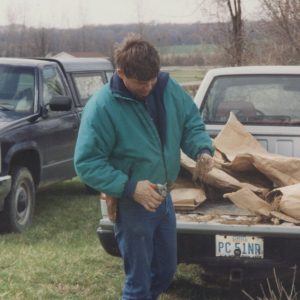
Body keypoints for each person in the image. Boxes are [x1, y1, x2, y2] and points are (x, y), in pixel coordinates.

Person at [74, 34, 214, 300]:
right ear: (121, 73)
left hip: (164, 198)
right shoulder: (102, 107)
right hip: (133, 204)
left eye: (152, 79)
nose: (148, 86)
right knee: (138, 283)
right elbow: (86, 163)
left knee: (165, 270)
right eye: (141, 82)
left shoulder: (166, 87)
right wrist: (128, 187)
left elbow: (190, 122)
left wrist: (202, 149)